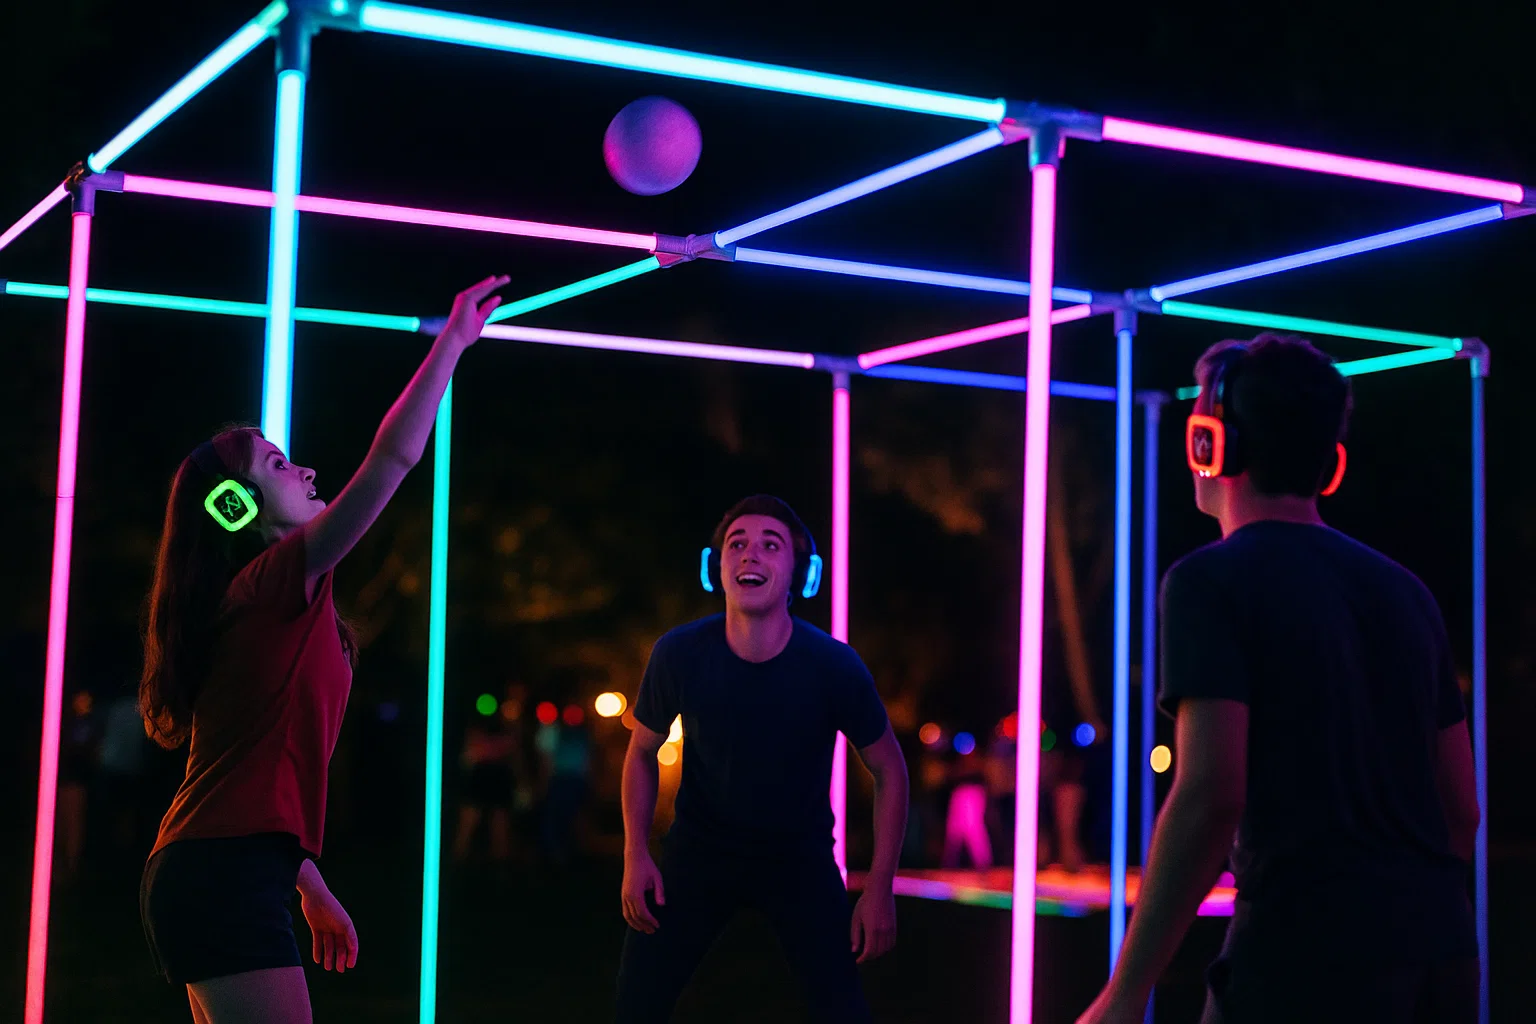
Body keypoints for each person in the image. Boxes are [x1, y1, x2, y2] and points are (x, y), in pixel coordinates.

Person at [1077, 334, 1480, 1024]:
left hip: (1301, 958)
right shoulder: (1406, 593)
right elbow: (1462, 809)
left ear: (1212, 445)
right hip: (1439, 957)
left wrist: (1126, 991)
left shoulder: (1209, 582)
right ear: (1331, 462)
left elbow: (1210, 794)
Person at [138, 275, 508, 1024]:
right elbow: (392, 462)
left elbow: (251, 767)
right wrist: (451, 346)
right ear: (234, 509)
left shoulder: (273, 605)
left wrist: (310, 883)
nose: (304, 469)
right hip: (221, 874)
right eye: (278, 464)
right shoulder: (269, 583)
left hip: (230, 868)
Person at [615, 495, 910, 1023]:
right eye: (737, 544)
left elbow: (890, 768)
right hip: (699, 852)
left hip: (799, 857)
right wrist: (636, 852)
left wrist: (881, 885)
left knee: (843, 1010)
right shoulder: (678, 653)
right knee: (636, 1006)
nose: (751, 555)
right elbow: (641, 751)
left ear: (802, 574)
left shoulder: (833, 666)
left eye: (770, 545)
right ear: (716, 568)